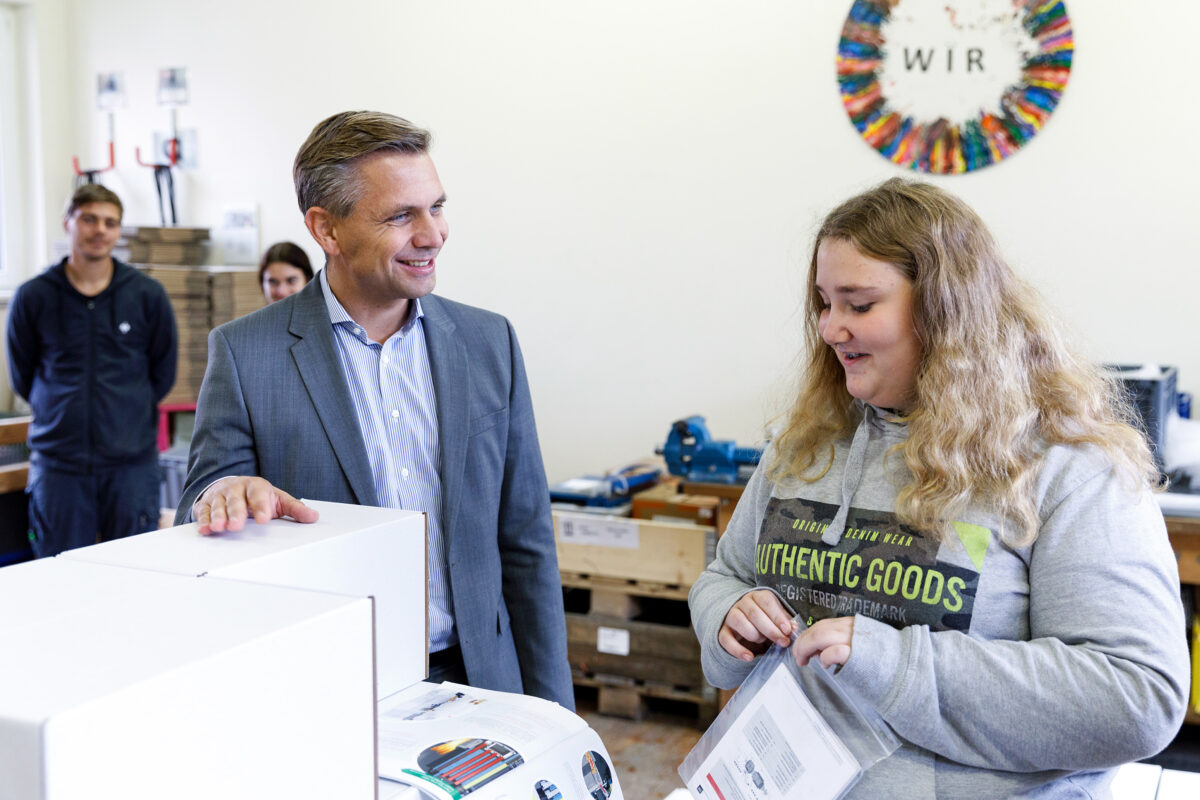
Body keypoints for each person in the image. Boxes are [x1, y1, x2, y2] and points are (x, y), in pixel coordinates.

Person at [689, 178, 1189, 796]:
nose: (830, 328)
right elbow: (726, 576)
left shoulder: (1072, 468)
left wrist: (891, 662)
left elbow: (1137, 697)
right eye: (823, 303)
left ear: (946, 311)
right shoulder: (806, 441)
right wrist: (727, 614)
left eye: (859, 305)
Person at [175, 110, 574, 709]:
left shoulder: (489, 343)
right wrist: (223, 493)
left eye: (436, 207)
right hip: (328, 690)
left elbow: (527, 545)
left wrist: (555, 714)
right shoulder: (246, 354)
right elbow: (201, 503)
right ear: (326, 229)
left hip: (482, 682)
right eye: (401, 216)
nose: (433, 235)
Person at [7, 184, 178, 557]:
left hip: (131, 466)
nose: (100, 230)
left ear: (118, 231)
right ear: (67, 222)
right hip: (60, 467)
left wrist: (124, 413)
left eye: (110, 222)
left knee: (136, 570)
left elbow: (162, 373)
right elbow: (23, 377)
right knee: (60, 573)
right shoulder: (34, 297)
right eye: (89, 219)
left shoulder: (146, 295)